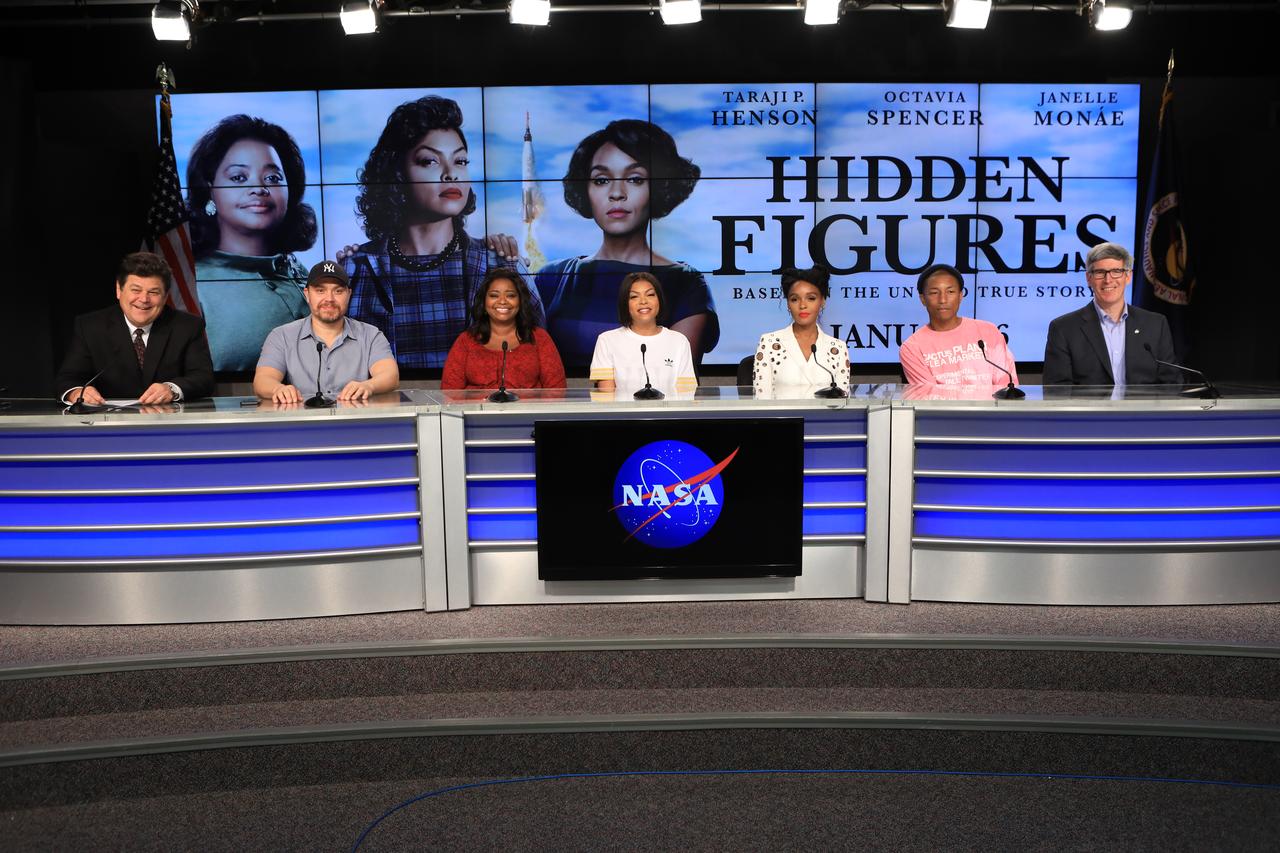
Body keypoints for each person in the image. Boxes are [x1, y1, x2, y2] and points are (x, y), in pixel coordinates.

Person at [344, 95, 542, 369]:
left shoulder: (500, 264)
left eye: (460, 161)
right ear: (396, 173)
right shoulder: (356, 269)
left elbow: (537, 353)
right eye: (429, 161)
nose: (451, 174)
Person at [536, 119, 718, 368]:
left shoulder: (685, 283)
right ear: (585, 190)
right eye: (601, 180)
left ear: (659, 188)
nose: (617, 193)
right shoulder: (552, 278)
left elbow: (677, 376)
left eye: (634, 179)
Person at [185, 115, 317, 371]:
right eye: (238, 178)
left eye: (273, 178)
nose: (259, 188)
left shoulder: (302, 273)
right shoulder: (191, 285)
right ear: (209, 188)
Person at [55, 252, 215, 405]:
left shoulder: (187, 326)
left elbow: (204, 378)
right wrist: (77, 393)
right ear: (119, 290)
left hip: (169, 424)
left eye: (153, 292)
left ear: (165, 296)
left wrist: (171, 389)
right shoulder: (90, 327)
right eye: (136, 290)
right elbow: (68, 379)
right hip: (109, 424)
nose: (144, 299)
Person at [253, 261, 399, 404]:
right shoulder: (281, 336)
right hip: (302, 425)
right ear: (307, 294)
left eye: (338, 291)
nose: (329, 299)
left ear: (348, 294)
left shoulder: (371, 335)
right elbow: (262, 380)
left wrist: (369, 386)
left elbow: (390, 375)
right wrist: (278, 389)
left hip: (356, 424)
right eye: (320, 290)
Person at [1043, 242, 1181, 386]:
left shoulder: (1155, 325)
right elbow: (1056, 390)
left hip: (1142, 409)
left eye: (1116, 271)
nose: (1108, 280)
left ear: (1128, 276)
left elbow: (1171, 384)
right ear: (1088, 278)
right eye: (1100, 272)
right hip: (1088, 408)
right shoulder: (1064, 329)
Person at [441, 268, 566, 390]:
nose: (502, 301)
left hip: (528, 410)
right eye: (494, 295)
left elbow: (557, 392)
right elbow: (449, 394)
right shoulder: (466, 341)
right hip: (477, 410)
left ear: (520, 301)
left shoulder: (539, 338)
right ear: (484, 303)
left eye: (510, 295)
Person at [899, 263, 1018, 387]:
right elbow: (929, 397)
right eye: (934, 293)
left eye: (950, 292)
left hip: (991, 406)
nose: (943, 300)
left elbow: (1007, 386)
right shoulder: (912, 348)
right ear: (923, 299)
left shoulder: (989, 331)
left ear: (960, 296)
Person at [590, 272, 697, 397]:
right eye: (634, 297)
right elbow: (606, 399)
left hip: (668, 415)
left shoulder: (679, 341)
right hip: (624, 415)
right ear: (625, 303)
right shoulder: (607, 340)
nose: (643, 301)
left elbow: (686, 396)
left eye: (650, 294)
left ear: (659, 300)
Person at [752, 266, 851, 397]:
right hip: (782, 417)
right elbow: (761, 400)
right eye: (794, 299)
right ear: (788, 304)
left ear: (823, 301)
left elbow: (842, 404)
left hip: (824, 417)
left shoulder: (838, 348)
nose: (802, 305)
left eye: (811, 298)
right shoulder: (769, 343)